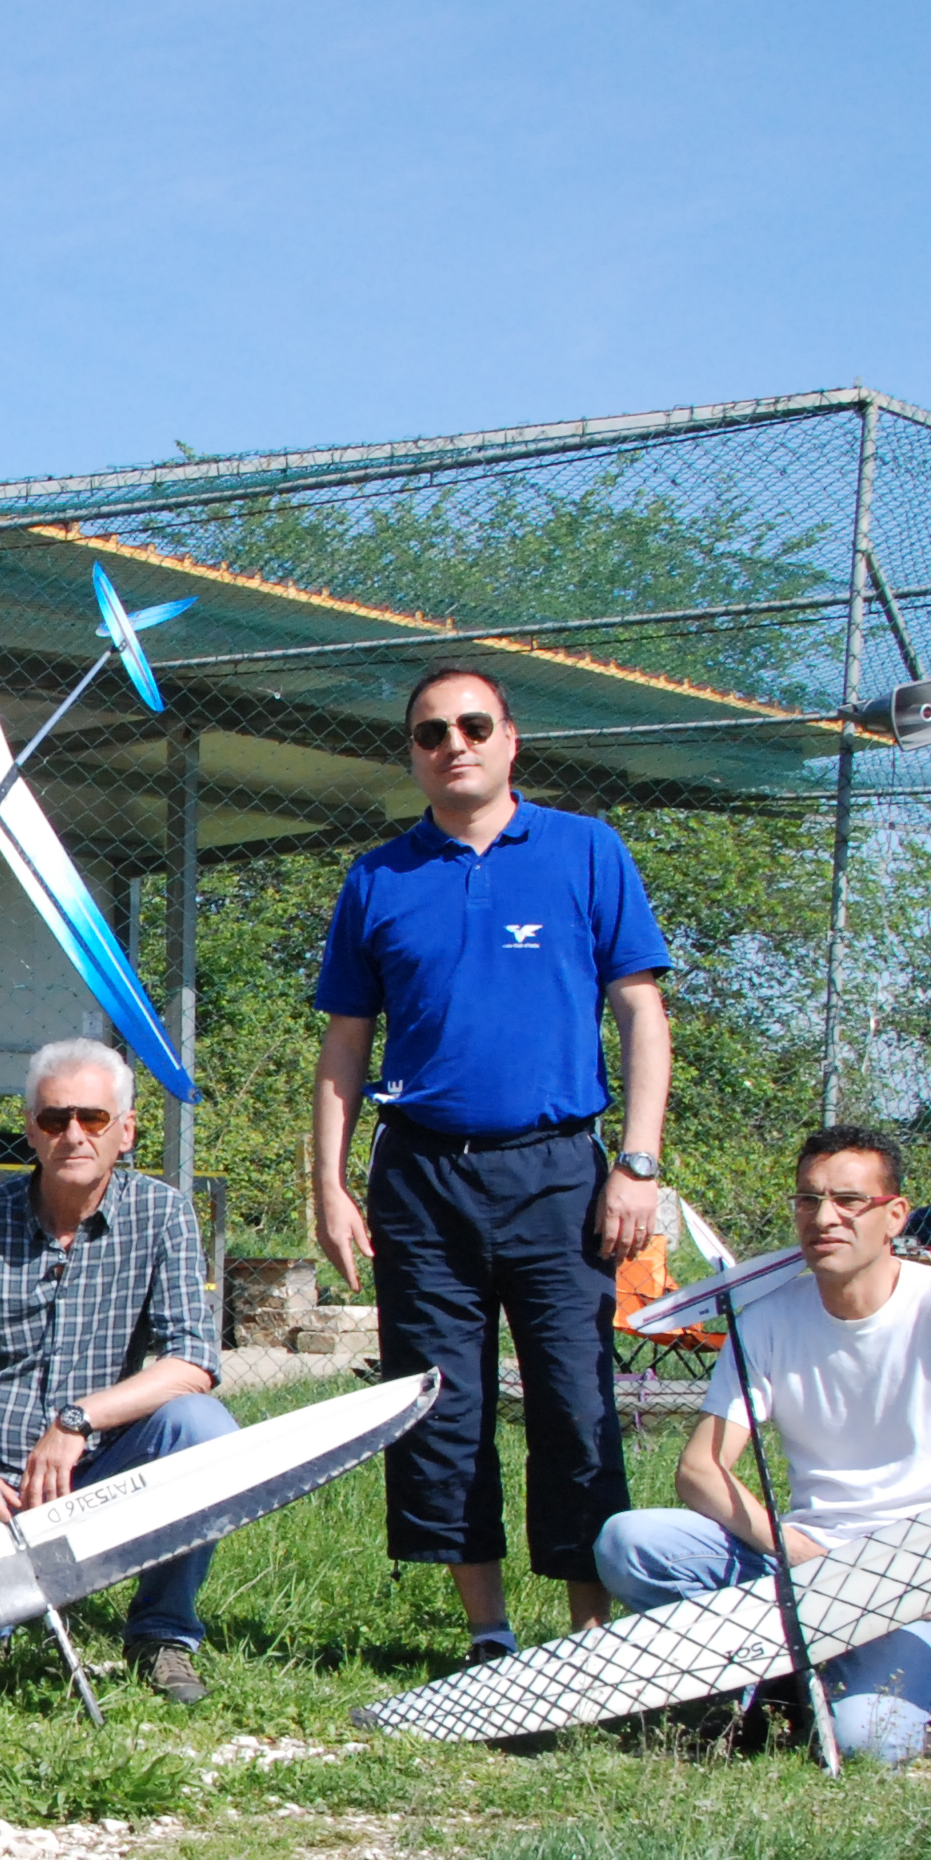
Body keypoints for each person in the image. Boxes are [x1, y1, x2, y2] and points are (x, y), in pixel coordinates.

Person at [310, 664, 672, 1669]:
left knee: (572, 1402)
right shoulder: (377, 878)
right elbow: (344, 1046)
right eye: (430, 733)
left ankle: (587, 1640)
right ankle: (488, 1636)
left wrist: (634, 1165)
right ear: (413, 755)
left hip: (559, 1173)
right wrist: (328, 1188)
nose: (452, 744)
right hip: (419, 1181)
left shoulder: (584, 853)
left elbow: (640, 1012)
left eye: (473, 725)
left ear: (510, 739)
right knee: (439, 1407)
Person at [593, 1126, 931, 1765]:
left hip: (915, 1582)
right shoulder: (764, 1317)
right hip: (800, 1562)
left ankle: (847, 1694)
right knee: (630, 1543)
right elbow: (700, 1472)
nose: (825, 1218)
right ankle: (772, 1681)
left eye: (850, 1201)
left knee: (866, 1745)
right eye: (808, 1200)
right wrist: (798, 1549)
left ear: (895, 1215)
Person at [0, 1042, 232, 1705]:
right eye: (54, 1120)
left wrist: (79, 1420)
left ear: (126, 1131)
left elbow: (192, 1360)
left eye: (93, 1119)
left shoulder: (162, 1213)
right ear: (30, 1129)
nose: (73, 1135)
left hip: (105, 1462)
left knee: (203, 1430)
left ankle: (163, 1632)